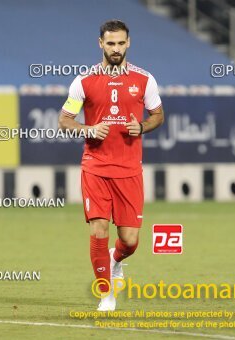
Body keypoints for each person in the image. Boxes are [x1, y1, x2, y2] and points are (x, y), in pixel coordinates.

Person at [58, 19, 164, 311]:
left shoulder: (145, 80)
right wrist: (88, 130)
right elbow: (64, 120)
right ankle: (106, 294)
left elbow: (158, 116)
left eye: (120, 43)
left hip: (129, 170)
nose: (116, 49)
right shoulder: (83, 81)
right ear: (100, 44)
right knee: (98, 230)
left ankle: (115, 260)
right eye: (110, 43)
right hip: (95, 167)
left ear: (128, 43)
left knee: (129, 241)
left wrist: (141, 127)